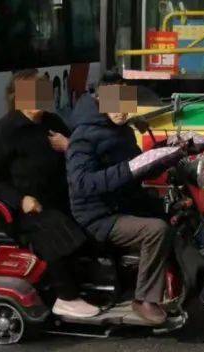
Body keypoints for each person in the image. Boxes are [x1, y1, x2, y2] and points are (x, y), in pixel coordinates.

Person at [0, 70, 98, 319]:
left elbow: (79, 152)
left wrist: (69, 145)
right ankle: (66, 297)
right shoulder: (4, 130)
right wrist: (20, 200)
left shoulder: (52, 122)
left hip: (59, 198)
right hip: (21, 209)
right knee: (55, 227)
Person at [66, 77, 172, 326]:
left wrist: (165, 156)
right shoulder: (84, 136)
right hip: (98, 215)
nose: (122, 111)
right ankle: (144, 298)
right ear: (100, 100)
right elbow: (82, 183)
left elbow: (137, 167)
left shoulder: (121, 130)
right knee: (156, 230)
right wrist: (128, 170)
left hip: (122, 203)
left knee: (172, 212)